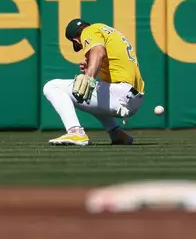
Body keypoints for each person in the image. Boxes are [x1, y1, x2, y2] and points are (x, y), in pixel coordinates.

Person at [42, 18, 145, 146]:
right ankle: (117, 134)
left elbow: (98, 51)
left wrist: (89, 77)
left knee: (51, 86)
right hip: (135, 98)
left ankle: (75, 131)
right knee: (89, 92)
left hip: (120, 94)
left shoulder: (89, 31)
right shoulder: (107, 31)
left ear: (76, 40)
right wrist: (90, 69)